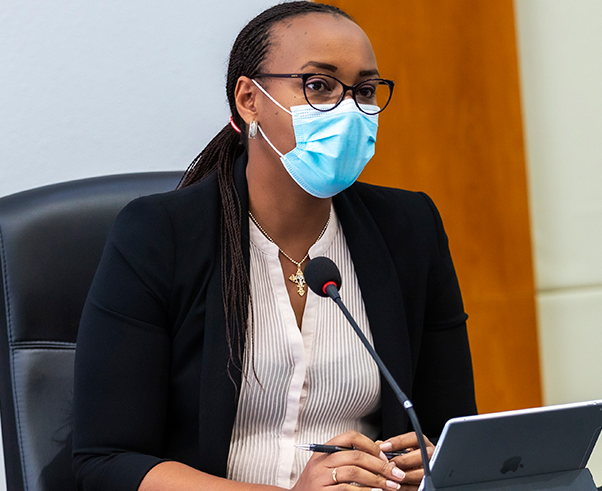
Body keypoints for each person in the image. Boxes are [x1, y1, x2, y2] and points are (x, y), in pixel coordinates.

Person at [72, 2, 477, 490]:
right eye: (318, 85)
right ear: (250, 99)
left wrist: (430, 462)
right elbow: (106, 460)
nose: (349, 109)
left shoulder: (409, 228)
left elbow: (451, 428)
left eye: (365, 91)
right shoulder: (158, 234)